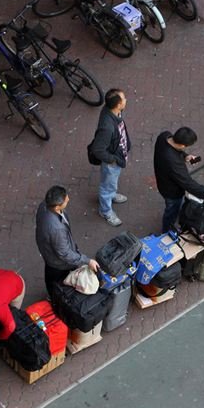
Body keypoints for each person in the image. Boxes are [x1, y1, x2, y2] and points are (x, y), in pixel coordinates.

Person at [35, 185, 99, 296]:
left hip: (48, 251)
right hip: (57, 262)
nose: (68, 199)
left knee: (51, 274)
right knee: (56, 280)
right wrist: (87, 261)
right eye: (65, 200)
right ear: (56, 207)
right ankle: (55, 297)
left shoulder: (44, 206)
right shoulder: (57, 229)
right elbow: (64, 253)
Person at [154, 126, 204, 234]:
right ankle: (167, 231)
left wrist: (185, 156)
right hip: (171, 191)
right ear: (183, 145)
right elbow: (187, 183)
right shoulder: (173, 162)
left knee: (174, 208)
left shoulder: (164, 136)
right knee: (171, 212)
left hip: (162, 181)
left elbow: (174, 150)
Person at [90, 88, 131, 227]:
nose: (126, 100)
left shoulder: (114, 110)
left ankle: (111, 195)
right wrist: (113, 160)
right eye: (124, 99)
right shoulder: (107, 127)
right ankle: (105, 211)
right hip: (113, 161)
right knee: (107, 185)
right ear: (118, 105)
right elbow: (98, 149)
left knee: (111, 183)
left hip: (118, 155)